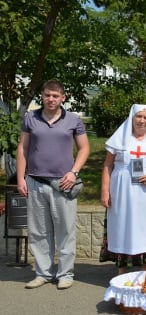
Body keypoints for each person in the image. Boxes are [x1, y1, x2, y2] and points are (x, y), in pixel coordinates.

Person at [16, 79, 90, 289]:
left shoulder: (73, 120)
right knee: (38, 231)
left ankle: (65, 274)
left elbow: (84, 149)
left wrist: (74, 172)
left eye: (55, 96)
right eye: (47, 95)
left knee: (65, 231)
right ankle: (43, 273)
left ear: (63, 98)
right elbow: (23, 148)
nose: (51, 99)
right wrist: (21, 177)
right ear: (42, 95)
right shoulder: (31, 118)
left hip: (63, 184)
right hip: (35, 181)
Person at [100, 104, 146, 275]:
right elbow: (107, 165)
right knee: (123, 225)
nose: (142, 120)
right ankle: (122, 268)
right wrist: (105, 191)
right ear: (132, 118)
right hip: (122, 190)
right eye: (139, 116)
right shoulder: (120, 139)